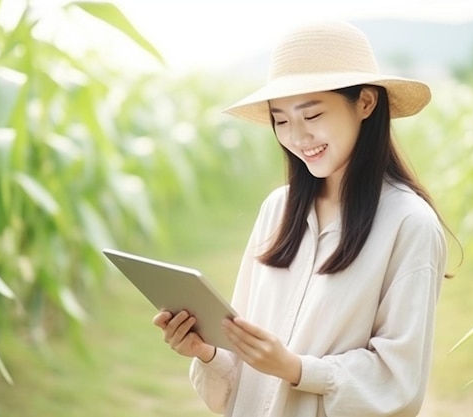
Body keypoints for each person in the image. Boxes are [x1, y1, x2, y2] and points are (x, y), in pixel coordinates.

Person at [153, 19, 451, 417]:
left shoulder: (409, 223)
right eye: (281, 120)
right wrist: (207, 352)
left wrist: (296, 369)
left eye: (311, 116)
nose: (297, 136)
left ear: (365, 103)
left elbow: (399, 382)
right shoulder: (278, 209)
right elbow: (242, 379)